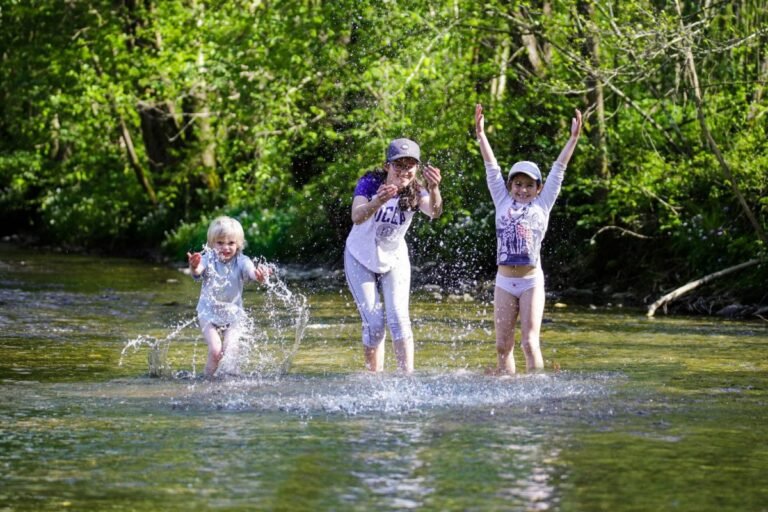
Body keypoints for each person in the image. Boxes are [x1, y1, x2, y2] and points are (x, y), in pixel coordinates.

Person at [474, 104, 582, 374]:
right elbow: (491, 167)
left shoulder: (543, 204)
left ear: (538, 188)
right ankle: (506, 391)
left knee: (529, 343)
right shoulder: (501, 199)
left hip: (531, 281)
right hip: (504, 282)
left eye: (529, 184)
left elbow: (558, 170)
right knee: (502, 345)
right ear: (511, 186)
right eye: (518, 184)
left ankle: (536, 394)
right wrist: (481, 135)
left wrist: (573, 140)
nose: (523, 189)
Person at [344, 138, 443, 373]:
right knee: (376, 324)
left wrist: (435, 189)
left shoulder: (417, 190)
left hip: (394, 257)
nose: (404, 171)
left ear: (416, 168)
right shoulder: (369, 182)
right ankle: (374, 378)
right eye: (398, 165)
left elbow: (435, 212)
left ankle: (405, 380)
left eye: (410, 165)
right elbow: (356, 216)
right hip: (359, 256)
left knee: (399, 319)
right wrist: (379, 200)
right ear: (387, 165)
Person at [187, 216, 270, 378]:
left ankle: (233, 381)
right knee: (216, 351)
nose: (225, 247)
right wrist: (194, 266)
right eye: (220, 243)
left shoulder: (242, 261)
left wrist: (260, 276)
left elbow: (252, 272)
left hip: (233, 314)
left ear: (238, 244)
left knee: (230, 349)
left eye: (231, 243)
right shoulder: (208, 258)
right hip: (208, 313)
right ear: (211, 243)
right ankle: (208, 381)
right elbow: (197, 272)